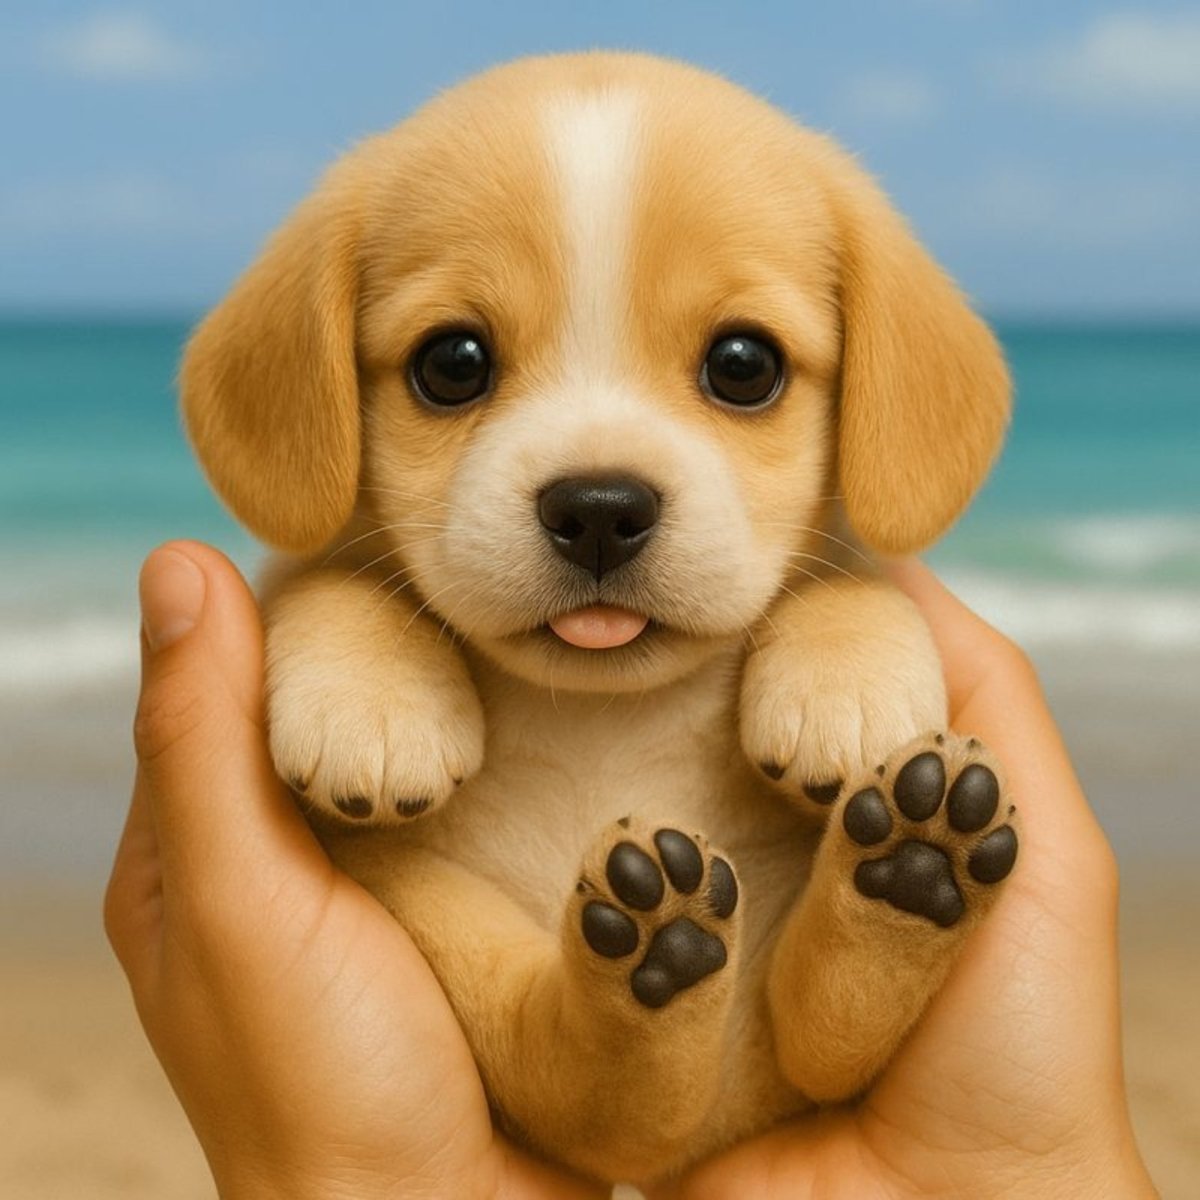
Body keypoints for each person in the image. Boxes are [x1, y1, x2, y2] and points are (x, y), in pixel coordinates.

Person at [106, 542, 1158, 1200]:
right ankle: (614, 1037)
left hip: (790, 1059)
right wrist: (354, 637)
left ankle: (858, 951)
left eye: (739, 369)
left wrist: (846, 620)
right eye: (458, 367)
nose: (601, 482)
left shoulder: (805, 575)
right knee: (408, 883)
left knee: (857, 625)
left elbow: (858, 586)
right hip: (515, 1047)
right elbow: (321, 577)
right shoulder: (377, 574)